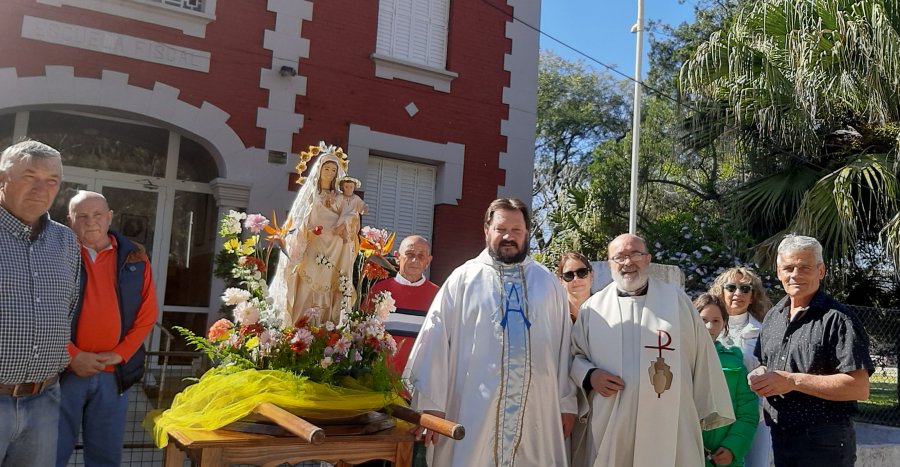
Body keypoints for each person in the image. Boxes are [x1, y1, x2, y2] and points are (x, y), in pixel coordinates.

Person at [403, 198, 577, 466]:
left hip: (538, 414)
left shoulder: (548, 284)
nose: (509, 236)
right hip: (472, 410)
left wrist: (566, 405)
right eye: (501, 229)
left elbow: (564, 347)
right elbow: (435, 340)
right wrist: (431, 403)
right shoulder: (463, 279)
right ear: (487, 231)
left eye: (517, 230)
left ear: (527, 232)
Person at [570, 233, 734, 467]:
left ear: (647, 259)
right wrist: (590, 375)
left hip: (671, 419)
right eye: (619, 257)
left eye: (635, 254)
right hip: (614, 420)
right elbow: (574, 357)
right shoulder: (593, 309)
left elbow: (703, 356)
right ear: (609, 264)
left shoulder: (677, 303)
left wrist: (704, 407)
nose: (628, 262)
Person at [750, 234, 873, 467]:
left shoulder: (839, 319)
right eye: (788, 268)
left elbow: (859, 387)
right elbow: (768, 364)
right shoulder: (773, 317)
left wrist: (793, 381)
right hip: (780, 437)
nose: (794, 275)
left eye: (804, 267)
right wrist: (759, 374)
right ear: (778, 273)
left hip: (825, 444)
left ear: (820, 271)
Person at [55, 191, 159, 467]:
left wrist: (121, 353)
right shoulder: (55, 254)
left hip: (114, 376)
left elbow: (147, 314)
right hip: (63, 372)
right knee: (51, 454)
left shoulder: (134, 257)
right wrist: (71, 355)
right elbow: (44, 312)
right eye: (82, 216)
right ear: (70, 221)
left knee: (105, 458)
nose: (91, 222)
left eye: (98, 214)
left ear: (110, 216)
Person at [0, 140, 81, 467]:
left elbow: (68, 308)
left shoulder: (65, 240)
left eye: (52, 181)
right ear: (2, 178)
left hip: (45, 399)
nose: (41, 188)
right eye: (29, 176)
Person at [270, 144, 359, 325]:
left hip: (335, 247)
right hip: (313, 244)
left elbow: (351, 220)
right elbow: (299, 220)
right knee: (306, 284)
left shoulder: (341, 197)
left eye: (334, 170)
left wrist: (346, 227)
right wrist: (306, 233)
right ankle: (298, 326)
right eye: (326, 168)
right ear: (319, 170)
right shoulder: (311, 195)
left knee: (331, 286)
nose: (330, 173)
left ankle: (326, 326)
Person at [710, 267, 773, 467]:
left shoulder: (765, 331)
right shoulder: (707, 328)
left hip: (754, 416)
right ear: (721, 293)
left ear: (753, 296)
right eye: (731, 287)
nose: (738, 294)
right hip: (713, 416)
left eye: (745, 289)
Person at [694, 293, 758, 467]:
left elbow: (748, 413)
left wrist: (732, 447)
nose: (709, 326)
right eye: (703, 319)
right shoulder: (678, 360)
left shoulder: (734, 362)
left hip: (723, 459)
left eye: (716, 321)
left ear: (724, 324)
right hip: (686, 453)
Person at [368, 235, 439, 374]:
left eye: (421, 256)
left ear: (428, 261)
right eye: (409, 254)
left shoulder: (438, 296)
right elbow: (363, 335)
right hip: (379, 377)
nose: (414, 260)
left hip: (419, 379)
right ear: (397, 257)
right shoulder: (378, 290)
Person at [556, 251, 593, 322]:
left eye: (582, 272)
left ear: (591, 275)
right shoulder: (555, 316)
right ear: (561, 281)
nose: (576, 279)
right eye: (569, 275)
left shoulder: (607, 310)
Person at [336, 175, 367, 244]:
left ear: (354, 188)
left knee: (348, 218)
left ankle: (343, 234)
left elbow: (361, 205)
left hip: (353, 218)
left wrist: (364, 207)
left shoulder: (356, 198)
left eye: (351, 187)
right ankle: (342, 234)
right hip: (342, 217)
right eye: (346, 187)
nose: (348, 189)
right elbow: (334, 205)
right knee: (344, 220)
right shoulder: (340, 197)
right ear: (342, 187)